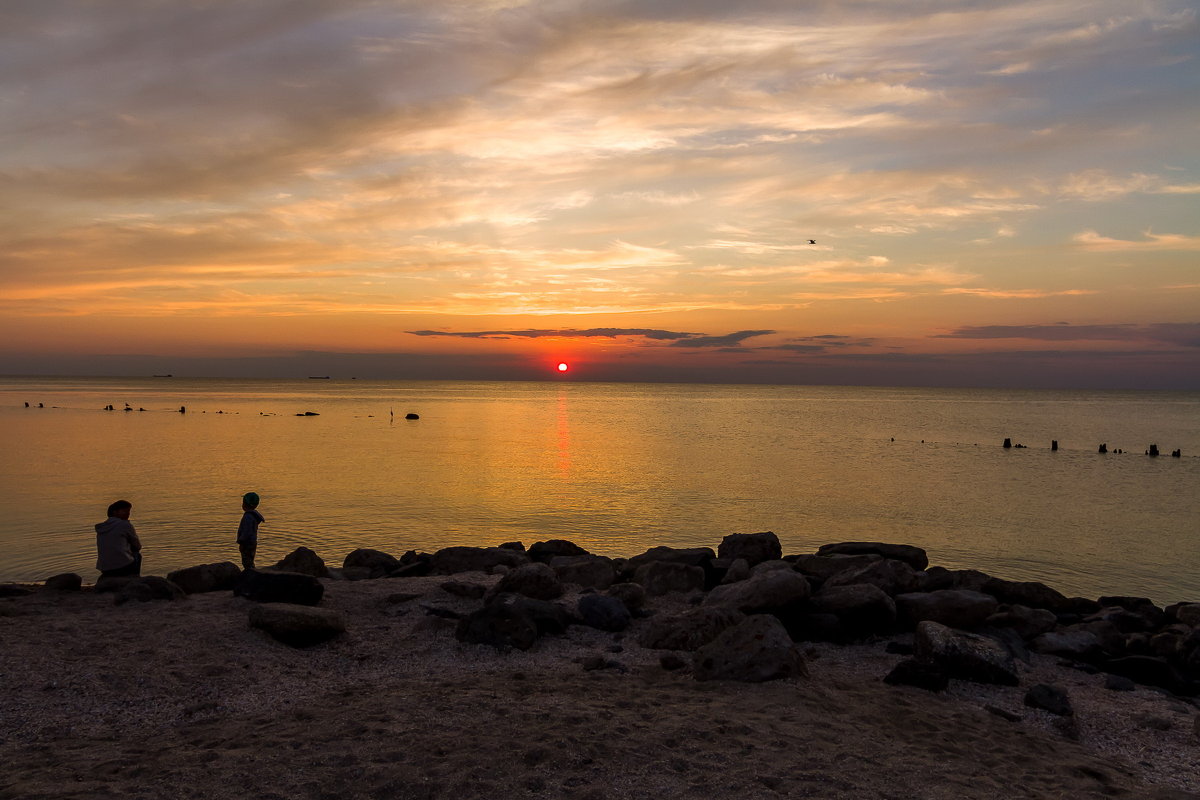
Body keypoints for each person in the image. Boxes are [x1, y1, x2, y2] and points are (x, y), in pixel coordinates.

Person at [95, 500, 142, 577]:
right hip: (121, 567)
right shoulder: (125, 525)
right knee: (137, 555)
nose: (128, 514)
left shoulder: (102, 527)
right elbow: (138, 546)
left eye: (128, 511)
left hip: (104, 568)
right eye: (124, 511)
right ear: (115, 512)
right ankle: (134, 578)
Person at [237, 492, 265, 570]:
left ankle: (250, 574)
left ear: (245, 504)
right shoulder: (253, 516)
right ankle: (251, 571)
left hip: (247, 543)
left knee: (246, 561)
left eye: (243, 502)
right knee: (250, 560)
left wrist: (241, 541)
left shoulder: (248, 517)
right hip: (252, 542)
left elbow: (246, 532)